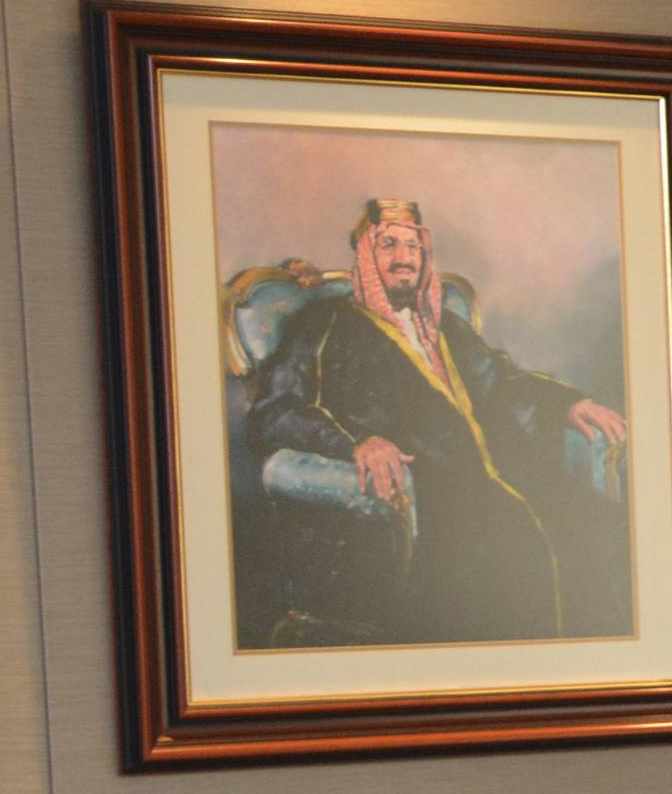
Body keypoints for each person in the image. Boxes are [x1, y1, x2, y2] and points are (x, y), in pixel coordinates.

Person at [239, 197, 632, 646]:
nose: (404, 257)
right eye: (388, 244)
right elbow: (274, 412)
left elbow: (501, 382)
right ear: (365, 255)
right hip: (432, 493)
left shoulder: (443, 325)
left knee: (598, 527)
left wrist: (568, 403)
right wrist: (355, 443)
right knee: (510, 553)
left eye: (412, 246)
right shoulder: (324, 326)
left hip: (503, 472)